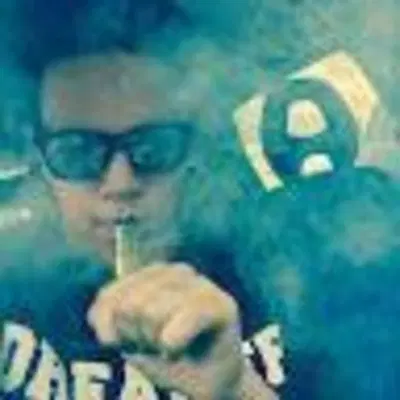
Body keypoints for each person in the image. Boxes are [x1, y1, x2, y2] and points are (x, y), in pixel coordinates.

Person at [0, 0, 278, 399]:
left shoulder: (272, 280)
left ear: (193, 153)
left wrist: (236, 390)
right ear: (43, 163)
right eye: (78, 151)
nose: (120, 183)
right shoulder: (12, 284)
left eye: (153, 148)